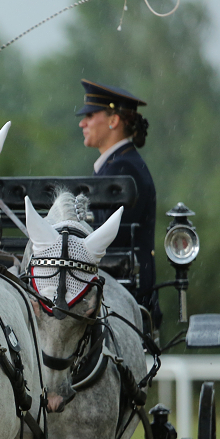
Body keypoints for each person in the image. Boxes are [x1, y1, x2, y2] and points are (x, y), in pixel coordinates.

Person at [76, 79, 161, 330]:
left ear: (113, 120)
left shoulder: (122, 169)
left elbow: (110, 241)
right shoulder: (117, 166)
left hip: (121, 299)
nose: (82, 123)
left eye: (90, 116)